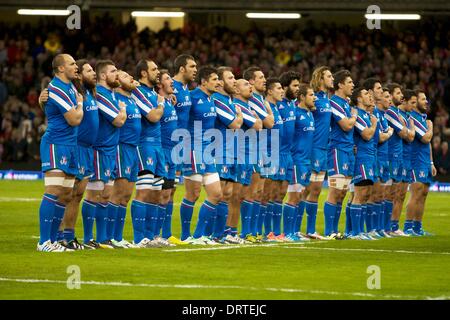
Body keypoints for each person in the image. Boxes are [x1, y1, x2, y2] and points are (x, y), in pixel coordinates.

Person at [37, 53, 83, 252]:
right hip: (55, 144)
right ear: (61, 69)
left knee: (65, 194)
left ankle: (55, 240)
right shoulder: (55, 88)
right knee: (53, 191)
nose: (76, 66)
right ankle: (44, 242)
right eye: (72, 64)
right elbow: (74, 119)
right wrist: (80, 104)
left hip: (70, 145)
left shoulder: (71, 86)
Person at [84, 60, 126, 249]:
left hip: (111, 149)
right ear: (103, 76)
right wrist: (123, 111)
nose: (117, 74)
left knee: (106, 195)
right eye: (113, 71)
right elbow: (118, 121)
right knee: (93, 195)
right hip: (100, 150)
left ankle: (102, 238)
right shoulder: (100, 94)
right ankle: (87, 238)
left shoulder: (112, 94)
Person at [182, 66, 223, 245]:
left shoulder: (211, 99)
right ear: (204, 81)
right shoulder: (192, 97)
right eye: (214, 79)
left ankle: (199, 235)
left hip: (208, 151)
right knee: (193, 194)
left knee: (216, 194)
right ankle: (185, 235)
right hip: (193, 149)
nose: (218, 82)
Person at [130, 59, 169, 247]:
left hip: (158, 146)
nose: (158, 72)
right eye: (154, 69)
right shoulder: (138, 91)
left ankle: (152, 236)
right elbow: (153, 116)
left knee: (156, 194)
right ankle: (139, 238)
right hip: (144, 145)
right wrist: (161, 105)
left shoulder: (153, 93)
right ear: (144, 73)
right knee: (144, 192)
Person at [61, 59, 99, 249]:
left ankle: (69, 236)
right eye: (89, 70)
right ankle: (58, 237)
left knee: (77, 195)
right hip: (75, 147)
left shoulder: (91, 94)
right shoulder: (73, 92)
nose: (94, 73)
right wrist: (41, 99)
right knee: (67, 194)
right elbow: (52, 101)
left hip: (88, 150)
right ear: (79, 75)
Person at [210, 67, 243, 244]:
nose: (234, 81)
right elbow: (236, 124)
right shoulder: (217, 99)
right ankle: (213, 234)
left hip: (231, 150)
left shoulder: (229, 101)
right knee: (220, 193)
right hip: (219, 150)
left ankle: (222, 233)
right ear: (220, 82)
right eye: (230, 78)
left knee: (228, 193)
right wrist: (239, 115)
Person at [109, 70, 141, 248]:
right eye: (125, 76)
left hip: (133, 148)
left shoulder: (132, 99)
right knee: (118, 193)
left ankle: (118, 237)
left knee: (127, 196)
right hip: (121, 147)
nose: (131, 77)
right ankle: (110, 237)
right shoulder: (116, 99)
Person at [302, 66, 334, 239]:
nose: (332, 79)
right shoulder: (313, 98)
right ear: (320, 79)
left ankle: (310, 230)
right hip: (312, 148)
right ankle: (294, 230)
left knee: (315, 191)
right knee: (305, 190)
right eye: (329, 76)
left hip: (323, 149)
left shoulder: (327, 100)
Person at [325, 70, 357, 240]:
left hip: (348, 150)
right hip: (337, 150)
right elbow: (345, 125)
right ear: (340, 85)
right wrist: (353, 117)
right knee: (335, 191)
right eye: (350, 82)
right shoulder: (334, 103)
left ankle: (335, 230)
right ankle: (329, 231)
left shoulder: (346, 103)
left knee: (343, 192)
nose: (353, 85)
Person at [243, 67, 274, 240]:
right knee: (252, 192)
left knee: (260, 193)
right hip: (252, 149)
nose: (265, 79)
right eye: (261, 77)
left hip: (262, 149)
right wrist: (269, 110)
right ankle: (246, 232)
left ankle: (253, 232)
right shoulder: (253, 100)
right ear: (251, 81)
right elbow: (269, 122)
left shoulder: (259, 99)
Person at [156, 69, 185, 245]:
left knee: (169, 193)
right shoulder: (156, 102)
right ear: (159, 84)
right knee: (160, 194)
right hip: (162, 152)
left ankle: (166, 234)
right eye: (168, 79)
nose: (172, 81)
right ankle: (155, 234)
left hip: (173, 152)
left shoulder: (169, 102)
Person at [232, 79, 263, 243]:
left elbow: (260, 124)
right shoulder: (239, 105)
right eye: (246, 85)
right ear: (236, 90)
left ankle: (249, 231)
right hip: (243, 152)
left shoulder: (248, 106)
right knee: (244, 194)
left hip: (253, 151)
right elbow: (259, 125)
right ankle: (244, 232)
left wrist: (258, 120)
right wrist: (257, 119)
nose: (250, 87)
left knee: (254, 193)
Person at [172, 54, 197, 241]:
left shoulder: (187, 89)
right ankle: (163, 234)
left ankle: (182, 235)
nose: (195, 69)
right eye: (192, 66)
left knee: (172, 190)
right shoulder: (169, 87)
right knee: (167, 190)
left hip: (183, 145)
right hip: (169, 144)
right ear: (182, 69)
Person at [287, 83, 316, 241]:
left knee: (302, 196)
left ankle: (296, 231)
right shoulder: (296, 114)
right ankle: (288, 232)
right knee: (294, 196)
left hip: (307, 161)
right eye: (311, 95)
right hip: (297, 160)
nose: (314, 98)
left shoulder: (310, 114)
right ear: (302, 97)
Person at [348, 87, 378, 240]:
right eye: (366, 94)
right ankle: (356, 232)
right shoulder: (358, 114)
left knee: (366, 194)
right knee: (359, 194)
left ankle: (361, 231)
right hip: (361, 157)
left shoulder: (367, 115)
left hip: (370, 157)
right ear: (359, 99)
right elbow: (366, 135)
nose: (370, 96)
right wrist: (373, 125)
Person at [405, 89, 436, 236]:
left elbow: (428, 144)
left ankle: (418, 227)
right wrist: (430, 128)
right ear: (415, 101)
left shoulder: (423, 118)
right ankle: (408, 227)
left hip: (425, 161)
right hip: (415, 161)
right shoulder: (413, 118)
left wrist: (431, 162)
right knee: (416, 193)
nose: (426, 101)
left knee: (424, 193)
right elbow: (425, 138)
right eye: (423, 99)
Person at [365, 83, 394, 238]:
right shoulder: (372, 113)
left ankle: (378, 228)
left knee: (380, 195)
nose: (382, 93)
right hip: (372, 157)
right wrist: (389, 132)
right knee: (370, 194)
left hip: (381, 158)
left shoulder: (380, 114)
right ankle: (369, 229)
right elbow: (380, 137)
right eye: (380, 91)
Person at [277, 71, 302, 241]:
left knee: (288, 194)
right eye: (294, 86)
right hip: (277, 154)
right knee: (272, 195)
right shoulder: (279, 105)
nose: (297, 89)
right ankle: (269, 232)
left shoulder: (293, 105)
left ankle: (288, 232)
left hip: (290, 155)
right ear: (285, 87)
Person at [384, 83, 411, 236]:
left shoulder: (397, 113)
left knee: (397, 193)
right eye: (398, 93)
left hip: (398, 156)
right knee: (389, 193)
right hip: (391, 156)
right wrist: (409, 129)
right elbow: (405, 134)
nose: (401, 96)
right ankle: (386, 227)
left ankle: (392, 226)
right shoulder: (391, 112)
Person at [261, 77, 284, 241]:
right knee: (265, 194)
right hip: (266, 153)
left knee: (275, 194)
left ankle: (273, 232)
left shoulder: (276, 108)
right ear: (269, 91)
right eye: (278, 88)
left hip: (276, 153)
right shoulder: (265, 106)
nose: (281, 91)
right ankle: (265, 231)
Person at [392, 89, 416, 235]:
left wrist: (409, 129)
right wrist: (411, 127)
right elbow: (409, 137)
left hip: (406, 158)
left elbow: (410, 137)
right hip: (397, 158)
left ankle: (394, 226)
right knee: (394, 194)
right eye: (411, 103)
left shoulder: (406, 117)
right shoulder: (397, 115)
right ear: (404, 101)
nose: (413, 106)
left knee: (401, 195)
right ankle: (389, 225)